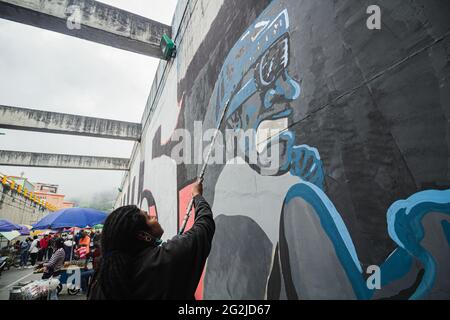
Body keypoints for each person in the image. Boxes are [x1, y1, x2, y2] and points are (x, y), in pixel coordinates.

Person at [88, 180, 215, 300]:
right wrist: (197, 196)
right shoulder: (164, 258)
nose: (153, 216)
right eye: (148, 217)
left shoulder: (102, 279)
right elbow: (203, 227)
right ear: (143, 235)